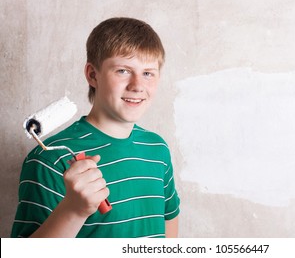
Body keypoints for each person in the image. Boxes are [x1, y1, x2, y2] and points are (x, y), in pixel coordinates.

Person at [11, 17, 180, 238]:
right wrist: (74, 209)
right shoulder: (49, 161)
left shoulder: (157, 149)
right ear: (93, 74)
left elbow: (169, 220)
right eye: (123, 71)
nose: (137, 85)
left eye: (148, 73)